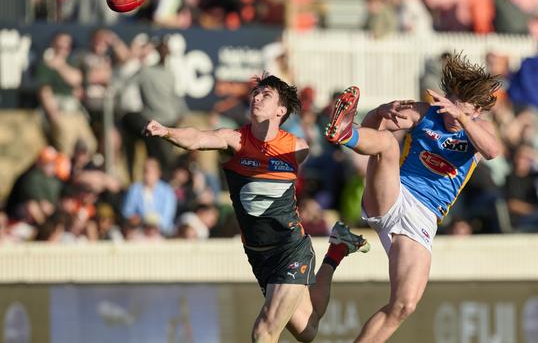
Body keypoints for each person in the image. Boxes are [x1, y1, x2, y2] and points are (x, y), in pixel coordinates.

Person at [143, 74, 370, 343]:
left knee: (264, 332)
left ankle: (335, 248)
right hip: (259, 255)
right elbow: (196, 138)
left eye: (266, 95)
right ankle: (336, 250)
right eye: (256, 93)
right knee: (308, 331)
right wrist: (167, 131)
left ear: (280, 110)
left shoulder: (297, 148)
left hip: (290, 248)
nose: (257, 98)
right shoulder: (236, 140)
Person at [324, 53, 502, 342]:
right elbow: (374, 132)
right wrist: (378, 112)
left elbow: (492, 151)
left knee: (404, 305)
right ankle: (344, 133)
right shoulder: (424, 112)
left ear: (477, 110)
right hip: (394, 193)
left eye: (458, 106)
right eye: (448, 101)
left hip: (424, 217)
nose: (447, 110)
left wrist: (461, 118)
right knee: (388, 146)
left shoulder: (481, 131)